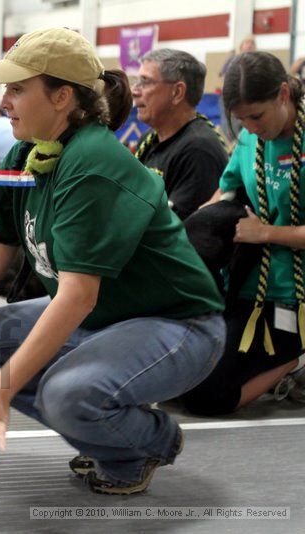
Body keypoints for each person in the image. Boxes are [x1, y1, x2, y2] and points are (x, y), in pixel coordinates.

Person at [0, 28, 225, 495]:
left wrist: (1, 391)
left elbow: (77, 296)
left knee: (66, 394)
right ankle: (105, 436)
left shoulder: (92, 164)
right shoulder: (24, 154)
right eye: (5, 89)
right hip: (108, 316)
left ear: (63, 96)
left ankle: (145, 443)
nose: (5, 101)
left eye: (18, 89)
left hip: (177, 326)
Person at [181, 51, 305, 415]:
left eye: (257, 116)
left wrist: (265, 233)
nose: (249, 127)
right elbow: (225, 193)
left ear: (284, 94)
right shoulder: (250, 140)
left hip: (294, 296)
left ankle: (294, 361)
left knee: (207, 398)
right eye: (240, 119)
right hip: (246, 287)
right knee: (181, 378)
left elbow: (260, 230)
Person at [132, 49, 228, 220]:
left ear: (177, 93)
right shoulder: (149, 139)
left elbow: (180, 229)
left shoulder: (198, 150)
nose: (135, 91)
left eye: (145, 82)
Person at [219, 36, 256, 142]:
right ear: (241, 46)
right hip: (232, 96)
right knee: (231, 124)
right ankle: (231, 145)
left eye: (252, 43)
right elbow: (223, 78)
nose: (249, 45)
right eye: (247, 42)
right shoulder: (232, 60)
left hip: (250, 97)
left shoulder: (256, 62)